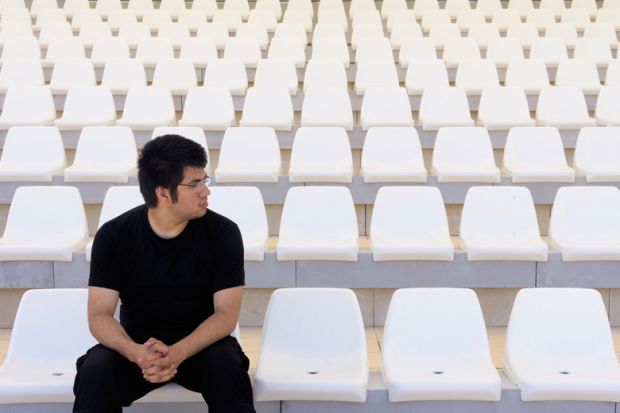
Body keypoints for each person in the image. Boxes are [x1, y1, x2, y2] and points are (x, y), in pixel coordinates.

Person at [73, 134, 256, 413]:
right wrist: (137, 353)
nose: (206, 191)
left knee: (227, 368)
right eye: (195, 184)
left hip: (200, 347)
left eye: (205, 181)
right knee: (95, 371)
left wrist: (177, 353)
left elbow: (226, 315)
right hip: (138, 349)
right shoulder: (114, 235)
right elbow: (99, 314)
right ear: (162, 192)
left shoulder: (223, 233)